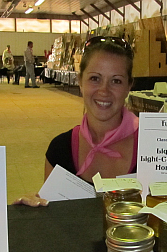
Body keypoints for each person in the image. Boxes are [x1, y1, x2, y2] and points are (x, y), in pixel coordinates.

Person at [13, 36, 136, 207]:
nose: (104, 90)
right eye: (95, 78)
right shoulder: (59, 151)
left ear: (129, 86)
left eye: (116, 81)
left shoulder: (154, 148)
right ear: (80, 82)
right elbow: (56, 223)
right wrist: (32, 212)